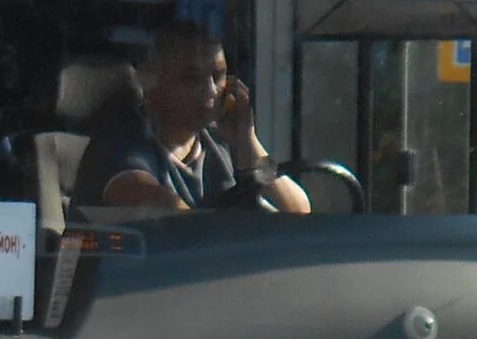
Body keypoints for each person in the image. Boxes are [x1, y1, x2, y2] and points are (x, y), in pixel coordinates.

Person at [86, 20, 310, 215]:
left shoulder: (221, 145)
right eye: (191, 78)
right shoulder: (119, 146)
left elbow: (298, 212)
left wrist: (248, 143)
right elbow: (163, 210)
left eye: (218, 76)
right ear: (150, 83)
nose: (211, 91)